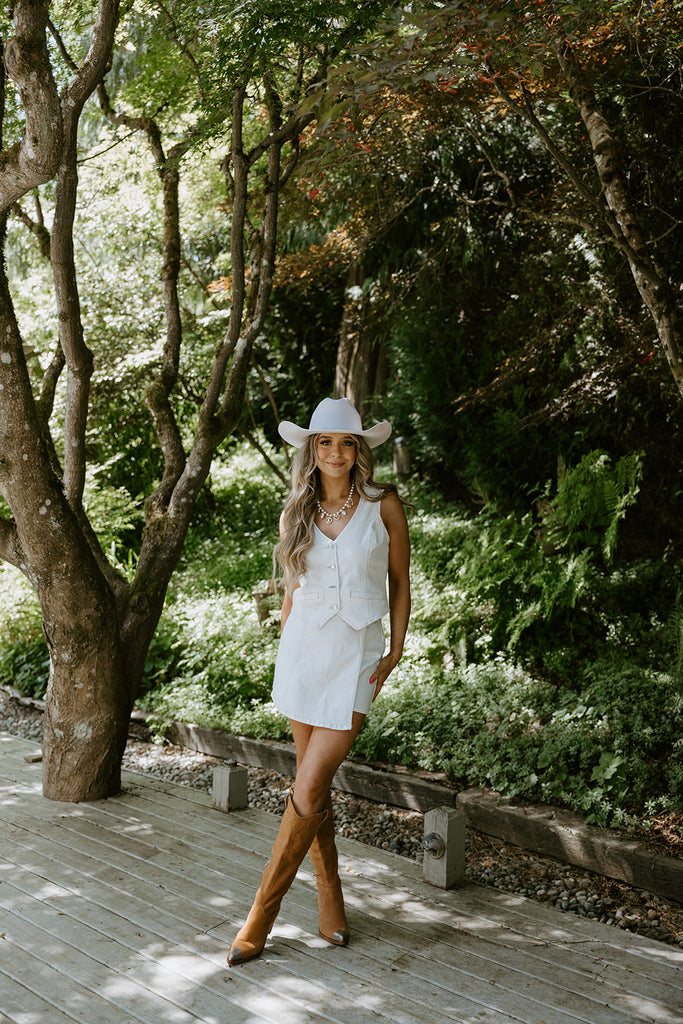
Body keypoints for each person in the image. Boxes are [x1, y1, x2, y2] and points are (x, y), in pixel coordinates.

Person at [227, 397, 411, 967]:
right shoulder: (297, 511)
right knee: (312, 787)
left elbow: (401, 582)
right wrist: (283, 645)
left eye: (346, 442)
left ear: (360, 451)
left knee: (307, 787)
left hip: (355, 658)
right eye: (325, 442)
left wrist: (396, 648)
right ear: (312, 449)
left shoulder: (384, 506)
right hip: (303, 654)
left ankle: (261, 915)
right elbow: (292, 590)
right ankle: (330, 891)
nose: (335, 452)